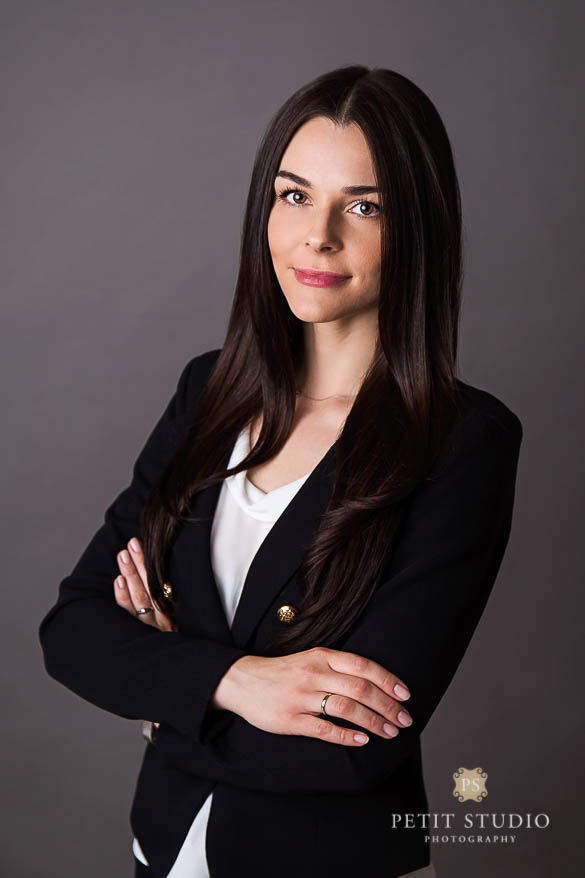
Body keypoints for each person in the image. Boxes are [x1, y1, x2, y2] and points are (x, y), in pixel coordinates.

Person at [38, 65, 523, 878]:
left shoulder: (461, 442)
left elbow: (349, 749)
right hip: (162, 849)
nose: (316, 236)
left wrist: (162, 701)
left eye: (363, 206)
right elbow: (74, 629)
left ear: (418, 228)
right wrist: (234, 682)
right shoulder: (208, 390)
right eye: (294, 195)